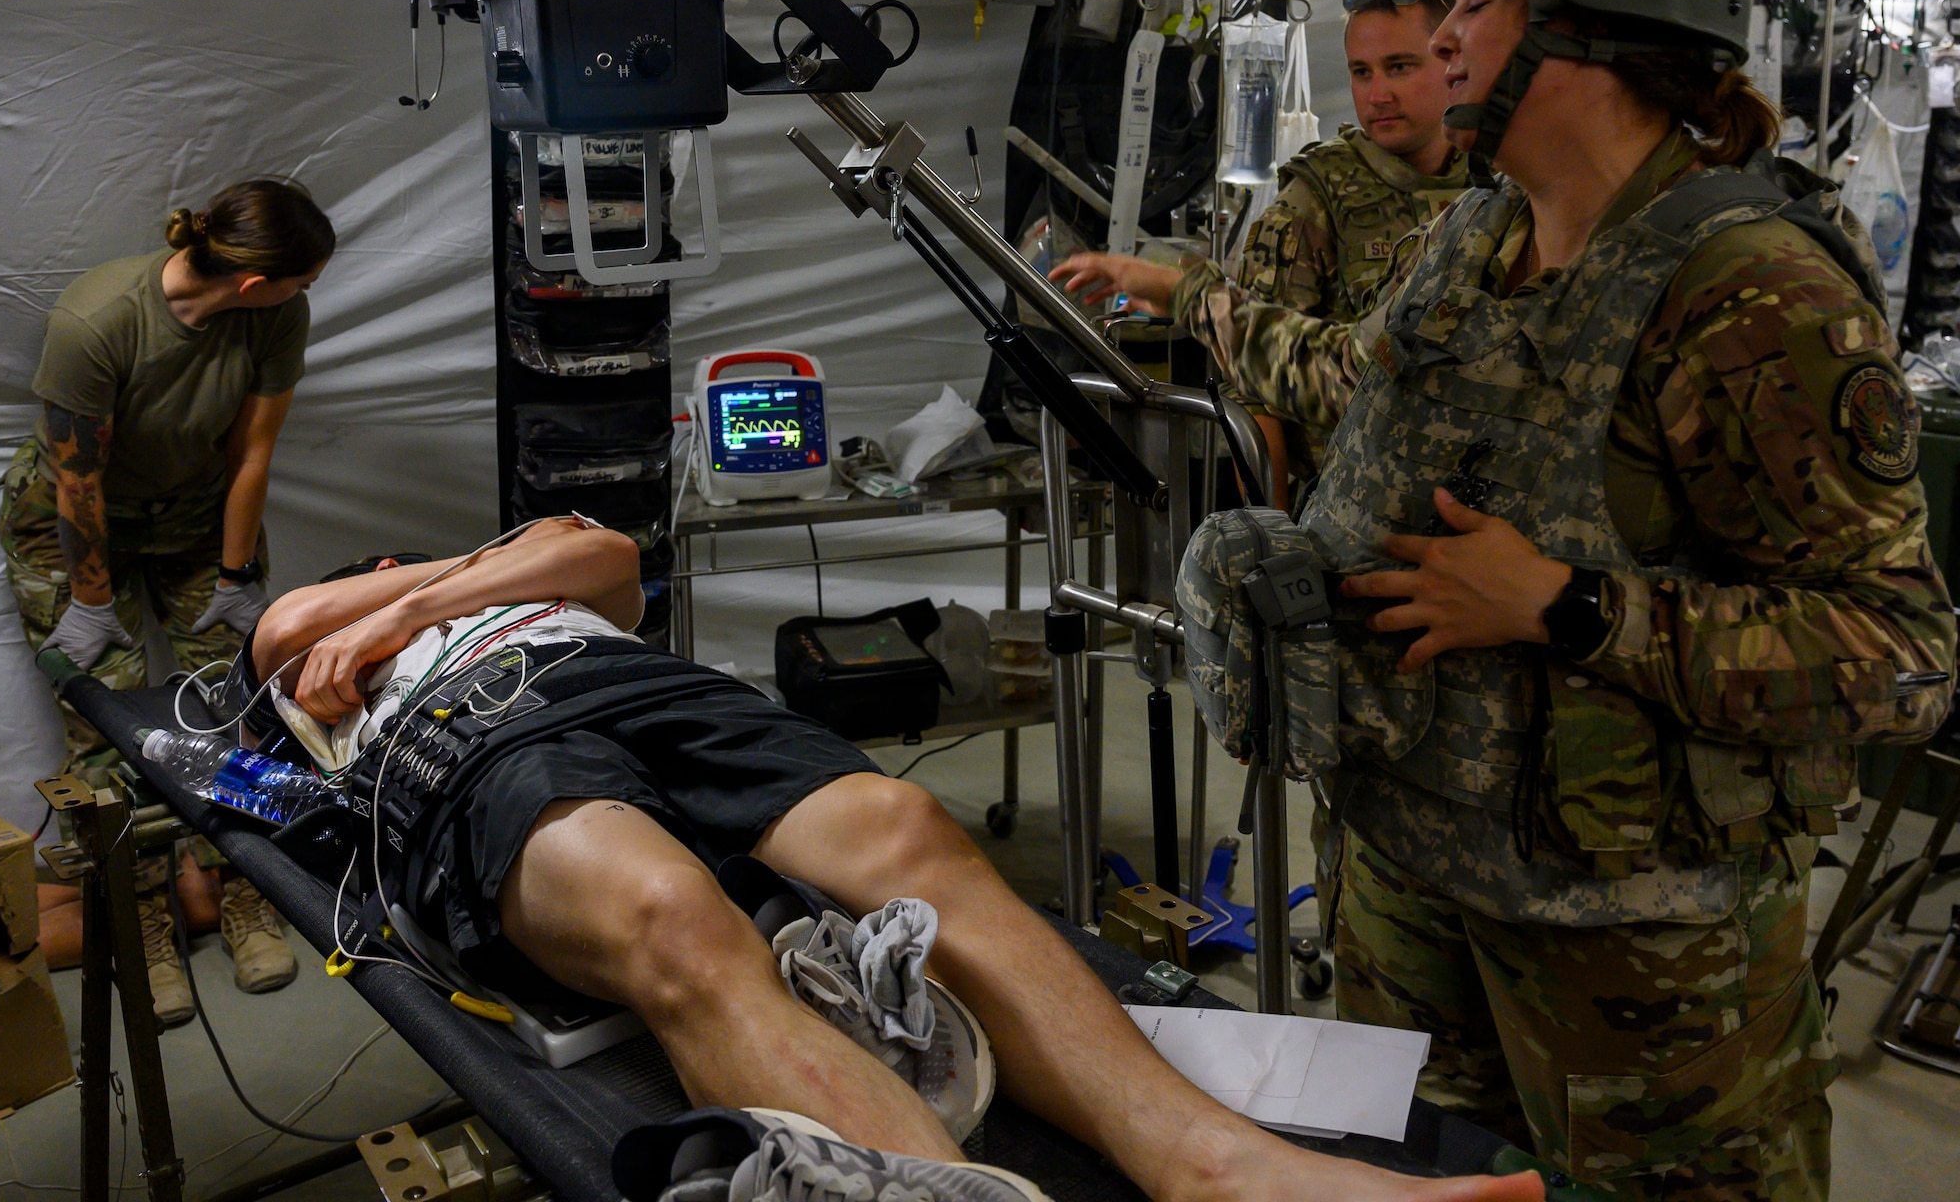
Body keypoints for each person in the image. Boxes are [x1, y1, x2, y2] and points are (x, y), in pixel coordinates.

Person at [1146, 0, 1958, 1199]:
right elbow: (1352, 393)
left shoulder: (1750, 290)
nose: (1442, 38)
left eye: (1474, 2)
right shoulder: (1473, 238)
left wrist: (1566, 607)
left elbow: (1904, 658)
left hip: (1634, 950)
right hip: (1410, 879)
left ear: (1592, 19)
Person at [231, 515, 1543, 1202]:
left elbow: (608, 558)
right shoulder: (329, 614)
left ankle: (1215, 1163)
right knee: (676, 924)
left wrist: (429, 587)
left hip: (623, 682)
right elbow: (296, 634)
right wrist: (449, 591)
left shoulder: (476, 581)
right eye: (390, 575)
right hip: (476, 736)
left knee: (909, 833)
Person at [2, 178, 334, 1020]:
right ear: (255, 281)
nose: (309, 294)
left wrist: (233, 580)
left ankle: (242, 891)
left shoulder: (274, 315)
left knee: (228, 710)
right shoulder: (97, 322)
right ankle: (143, 916)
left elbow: (252, 452)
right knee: (108, 723)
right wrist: (90, 601)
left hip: (195, 509)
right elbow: (77, 480)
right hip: (79, 522)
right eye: (303, 279)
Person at [1049, 0, 1468, 504]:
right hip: (1351, 506)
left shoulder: (1498, 189)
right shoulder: (1319, 196)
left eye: (1400, 67)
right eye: (1361, 72)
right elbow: (1254, 397)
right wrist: (1272, 535)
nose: (1377, 94)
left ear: (1454, 61)